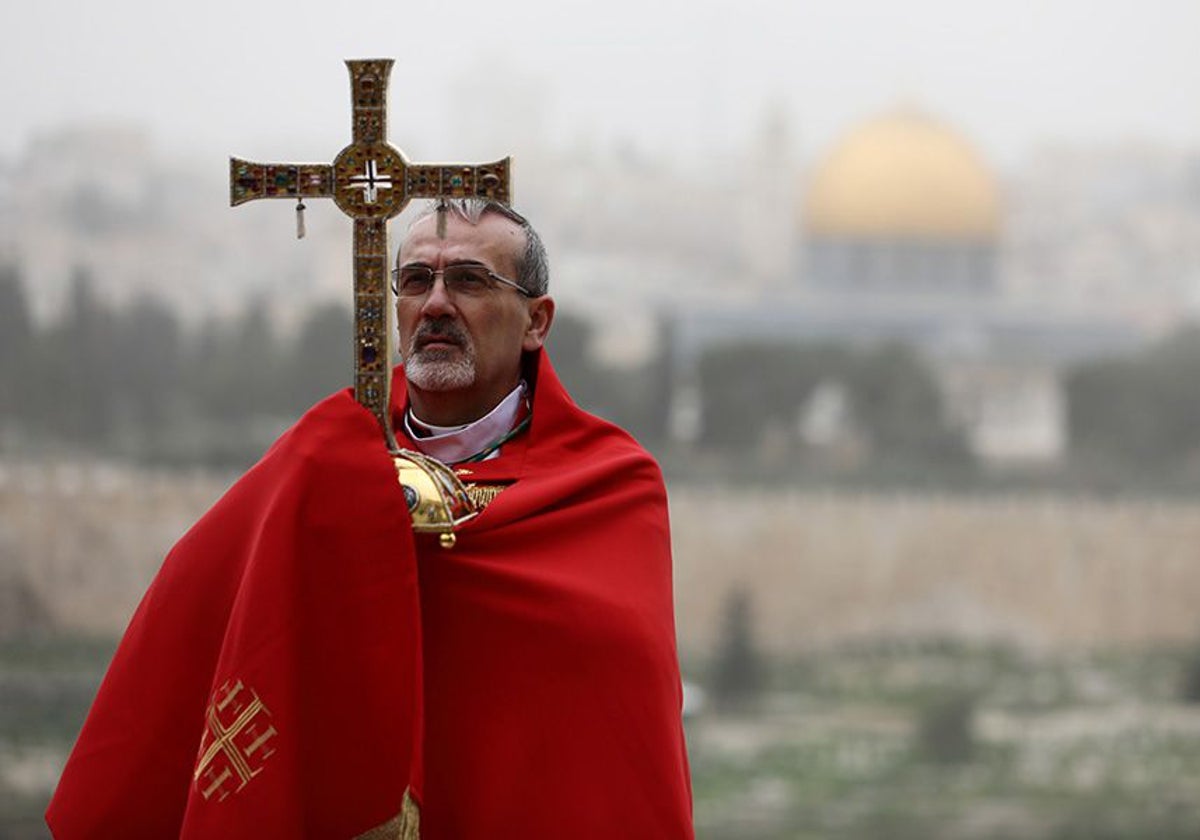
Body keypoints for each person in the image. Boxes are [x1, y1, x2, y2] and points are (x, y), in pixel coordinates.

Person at [47, 199, 695, 839]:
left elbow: (618, 724)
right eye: (416, 280)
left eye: (469, 280)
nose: (436, 304)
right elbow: (200, 597)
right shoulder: (320, 453)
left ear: (537, 321)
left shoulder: (611, 484)